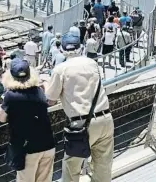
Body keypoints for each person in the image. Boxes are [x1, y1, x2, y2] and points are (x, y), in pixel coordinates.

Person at [45, 40, 114, 182]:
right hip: (105, 118)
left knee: (71, 167)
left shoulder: (60, 69)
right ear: (80, 48)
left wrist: (46, 85)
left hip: (80, 125)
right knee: (103, 167)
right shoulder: (92, 63)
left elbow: (50, 100)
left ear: (63, 51)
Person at [0, 60, 56, 182]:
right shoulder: (39, 91)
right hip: (48, 144)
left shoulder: (11, 96)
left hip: (27, 149)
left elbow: (1, 118)